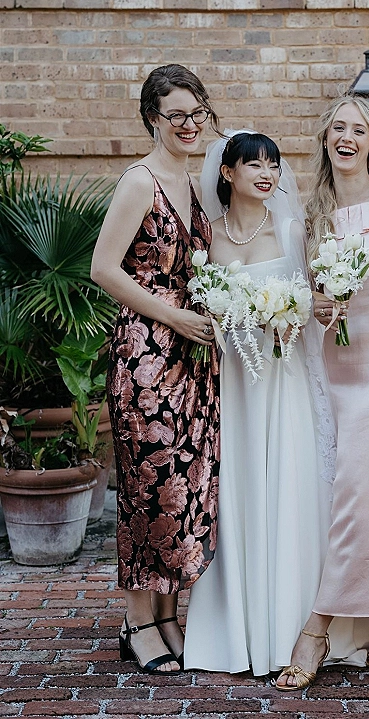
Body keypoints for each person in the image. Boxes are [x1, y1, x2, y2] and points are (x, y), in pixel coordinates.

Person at [276, 94, 369, 690]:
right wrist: (315, 307)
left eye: (358, 128)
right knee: (366, 493)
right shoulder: (311, 213)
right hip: (337, 364)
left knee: (365, 492)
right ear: (324, 139)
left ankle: (317, 625)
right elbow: (306, 303)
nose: (347, 137)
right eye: (337, 127)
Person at [183, 131, 337, 676]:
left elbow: (319, 305)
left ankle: (291, 630)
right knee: (239, 489)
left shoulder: (293, 231)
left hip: (284, 381)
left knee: (287, 488)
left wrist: (299, 313)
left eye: (273, 163)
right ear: (228, 173)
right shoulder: (207, 239)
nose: (268, 173)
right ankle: (235, 631)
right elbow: (202, 307)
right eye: (254, 164)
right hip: (233, 388)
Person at [91, 64, 220, 675]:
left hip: (192, 357)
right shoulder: (140, 182)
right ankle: (138, 622)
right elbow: (105, 270)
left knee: (181, 489)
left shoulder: (192, 184)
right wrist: (173, 316)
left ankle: (169, 615)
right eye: (178, 115)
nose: (191, 124)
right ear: (152, 119)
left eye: (198, 113)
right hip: (147, 355)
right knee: (147, 488)